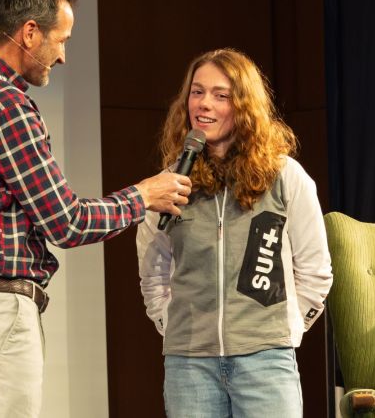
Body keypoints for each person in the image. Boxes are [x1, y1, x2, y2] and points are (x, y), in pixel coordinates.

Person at [0, 0, 191, 417]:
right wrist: (143, 196)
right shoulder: (3, 104)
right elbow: (67, 222)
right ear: (28, 32)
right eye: (60, 40)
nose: (62, 56)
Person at [136, 48, 333, 417]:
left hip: (265, 362)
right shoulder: (172, 181)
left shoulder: (285, 176)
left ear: (243, 106)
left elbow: (315, 271)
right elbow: (153, 270)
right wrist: (171, 324)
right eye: (197, 92)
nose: (203, 104)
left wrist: (286, 331)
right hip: (189, 364)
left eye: (220, 95)